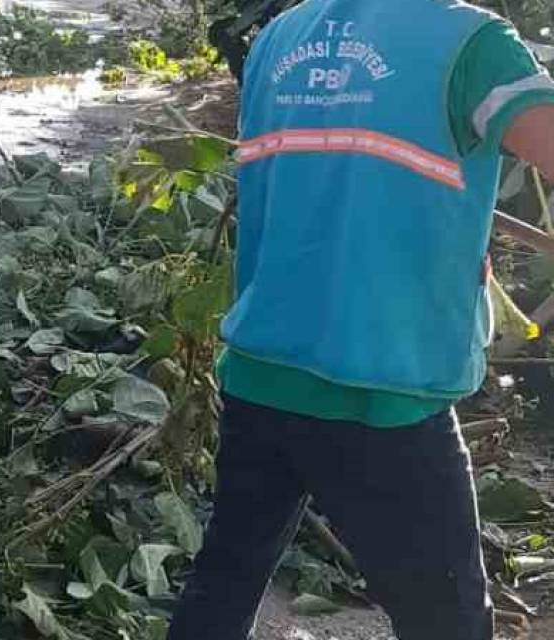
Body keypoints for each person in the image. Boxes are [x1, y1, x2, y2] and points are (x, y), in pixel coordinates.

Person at [167, 1, 554, 639]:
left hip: (261, 370)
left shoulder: (280, 39)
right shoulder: (473, 44)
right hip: (382, 394)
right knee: (447, 620)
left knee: (225, 580)